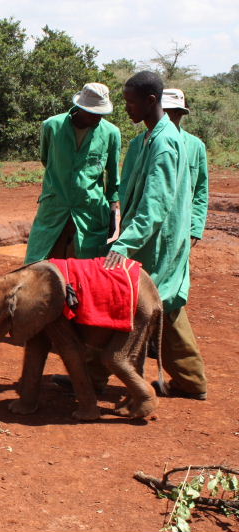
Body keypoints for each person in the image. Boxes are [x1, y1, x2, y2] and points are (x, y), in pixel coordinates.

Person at [103, 71, 207, 400]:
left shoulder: (164, 143)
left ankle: (104, 378)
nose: (127, 109)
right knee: (161, 305)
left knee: (151, 305)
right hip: (151, 238)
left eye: (131, 102)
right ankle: (190, 381)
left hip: (157, 241)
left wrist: (125, 242)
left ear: (151, 101)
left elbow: (156, 205)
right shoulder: (148, 138)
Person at [24, 82, 121, 263]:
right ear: (80, 107)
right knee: (41, 263)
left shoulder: (111, 133)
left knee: (86, 266)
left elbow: (113, 175)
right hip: (55, 207)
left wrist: (112, 211)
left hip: (90, 210)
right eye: (93, 112)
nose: (98, 117)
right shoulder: (52, 126)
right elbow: (47, 159)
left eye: (102, 113)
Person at [161, 88, 209, 248]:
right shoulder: (140, 143)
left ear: (180, 113)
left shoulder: (196, 146)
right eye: (164, 111)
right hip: (149, 224)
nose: (169, 116)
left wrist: (195, 228)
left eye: (174, 112)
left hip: (182, 223)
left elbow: (201, 189)